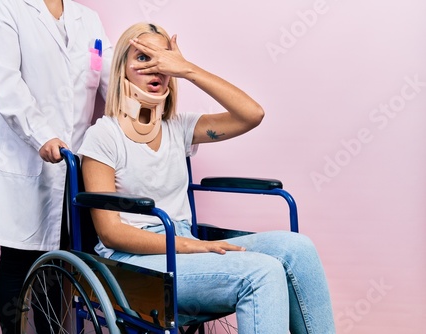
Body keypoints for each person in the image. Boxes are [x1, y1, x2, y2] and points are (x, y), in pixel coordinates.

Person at [78, 22, 336, 333]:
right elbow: (110, 233)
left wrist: (187, 69)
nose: (156, 67)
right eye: (144, 58)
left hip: (184, 244)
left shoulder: (179, 128)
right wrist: (191, 246)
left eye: (163, 58)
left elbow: (251, 114)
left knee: (299, 248)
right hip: (134, 261)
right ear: (122, 69)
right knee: (262, 272)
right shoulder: (104, 136)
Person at [0, 0, 112, 333]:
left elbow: (113, 80)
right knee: (18, 261)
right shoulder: (8, 8)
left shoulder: (89, 19)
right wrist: (42, 136)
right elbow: (7, 85)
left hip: (75, 166)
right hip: (23, 155)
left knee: (59, 262)